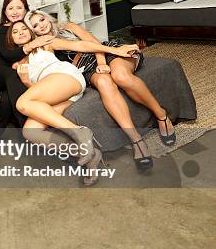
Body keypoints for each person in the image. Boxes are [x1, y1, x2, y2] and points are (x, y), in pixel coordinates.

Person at [25, 9, 176, 171]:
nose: (41, 25)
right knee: (104, 83)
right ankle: (136, 140)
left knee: (120, 77)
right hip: (87, 69)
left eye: (41, 19)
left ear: (47, 17)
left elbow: (92, 41)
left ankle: (161, 115)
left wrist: (102, 62)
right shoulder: (44, 46)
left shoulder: (67, 27)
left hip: (104, 52)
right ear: (32, 31)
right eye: (35, 25)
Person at [7, 20, 139, 186]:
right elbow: (41, 95)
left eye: (24, 28)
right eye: (15, 31)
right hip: (60, 92)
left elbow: (82, 46)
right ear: (11, 41)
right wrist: (26, 82)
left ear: (31, 32)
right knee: (30, 132)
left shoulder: (46, 43)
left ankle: (81, 133)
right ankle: (88, 155)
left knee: (22, 102)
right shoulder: (18, 64)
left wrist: (113, 50)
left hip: (65, 76)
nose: (20, 32)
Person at [0, 0, 53, 141]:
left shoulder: (32, 25)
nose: (14, 12)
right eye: (10, 8)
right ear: (4, 11)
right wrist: (33, 44)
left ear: (26, 9)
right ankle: (27, 133)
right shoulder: (2, 29)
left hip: (17, 70)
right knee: (14, 75)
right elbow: (8, 55)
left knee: (7, 98)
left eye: (19, 7)